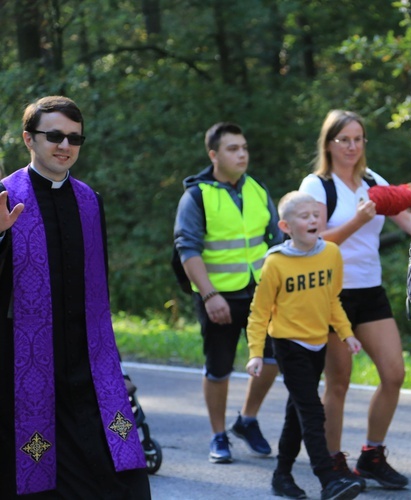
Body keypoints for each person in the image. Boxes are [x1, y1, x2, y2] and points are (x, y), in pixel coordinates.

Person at [0, 95, 151, 497]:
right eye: (54, 136)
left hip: (88, 361)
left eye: (74, 138)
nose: (65, 146)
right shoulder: (4, 197)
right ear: (29, 139)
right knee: (36, 469)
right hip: (27, 365)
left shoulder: (90, 201)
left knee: (121, 467)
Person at [298, 110, 411, 489]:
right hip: (331, 293)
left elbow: (409, 221)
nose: (352, 146)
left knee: (394, 373)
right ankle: (334, 463)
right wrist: (357, 220)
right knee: (339, 382)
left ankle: (372, 455)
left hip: (370, 290)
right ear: (329, 144)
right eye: (344, 140)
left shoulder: (373, 182)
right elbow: (314, 242)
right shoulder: (317, 186)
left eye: (358, 139)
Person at [174, 122, 282, 464]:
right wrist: (209, 296)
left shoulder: (257, 189)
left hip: (260, 294)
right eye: (233, 149)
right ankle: (218, 435)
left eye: (244, 148)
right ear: (213, 155)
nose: (242, 154)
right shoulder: (196, 195)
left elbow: (277, 243)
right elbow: (187, 249)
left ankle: (246, 420)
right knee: (218, 368)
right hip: (217, 297)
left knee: (272, 359)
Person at [246, 190, 363, 500]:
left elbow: (332, 300)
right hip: (287, 344)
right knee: (312, 411)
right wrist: (256, 353)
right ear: (286, 226)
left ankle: (282, 476)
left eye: (316, 214)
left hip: (317, 344)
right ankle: (328, 480)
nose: (313, 220)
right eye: (304, 216)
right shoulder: (275, 263)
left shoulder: (331, 254)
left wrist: (346, 333)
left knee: (296, 413)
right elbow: (259, 313)